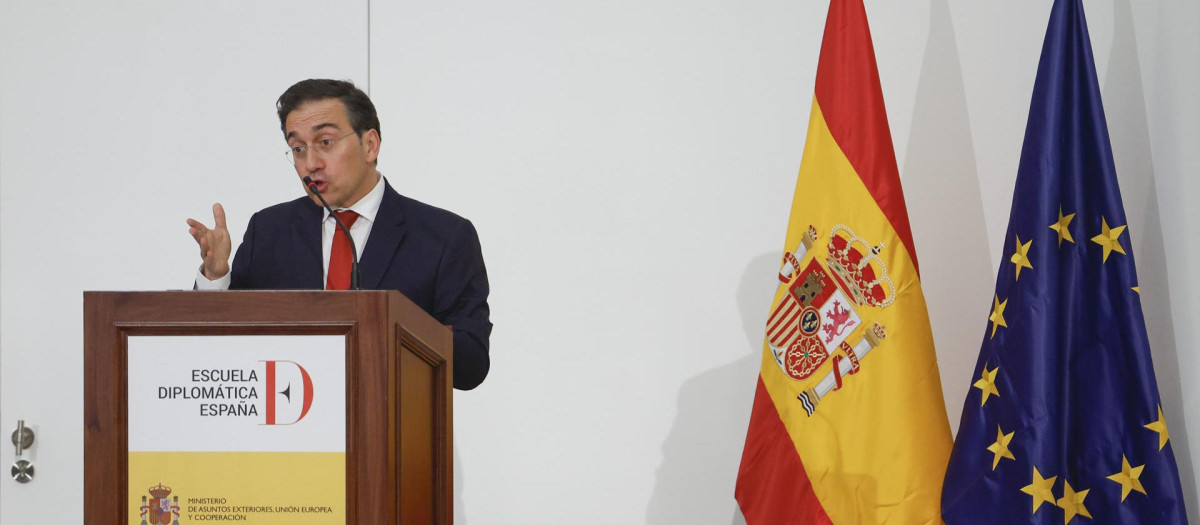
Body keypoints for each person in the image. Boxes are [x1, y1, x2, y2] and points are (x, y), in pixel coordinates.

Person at [186, 79, 491, 390]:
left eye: (326, 142)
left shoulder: (443, 237)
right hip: (286, 425)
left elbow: (471, 365)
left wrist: (394, 326)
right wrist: (216, 277)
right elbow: (215, 352)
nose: (310, 164)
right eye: (298, 149)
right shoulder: (270, 230)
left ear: (370, 145)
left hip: (391, 428)